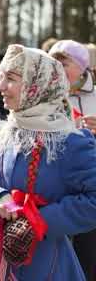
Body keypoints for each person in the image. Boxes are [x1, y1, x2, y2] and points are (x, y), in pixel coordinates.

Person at [0, 44, 96, 281]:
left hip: (46, 268)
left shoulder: (70, 142)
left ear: (38, 86)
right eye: (1, 76)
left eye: (12, 78)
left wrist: (40, 220)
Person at [48, 39, 96, 281]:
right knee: (59, 253)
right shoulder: (47, 96)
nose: (57, 68)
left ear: (81, 66)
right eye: (54, 62)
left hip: (90, 185)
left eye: (63, 63)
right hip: (58, 183)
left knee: (88, 253)